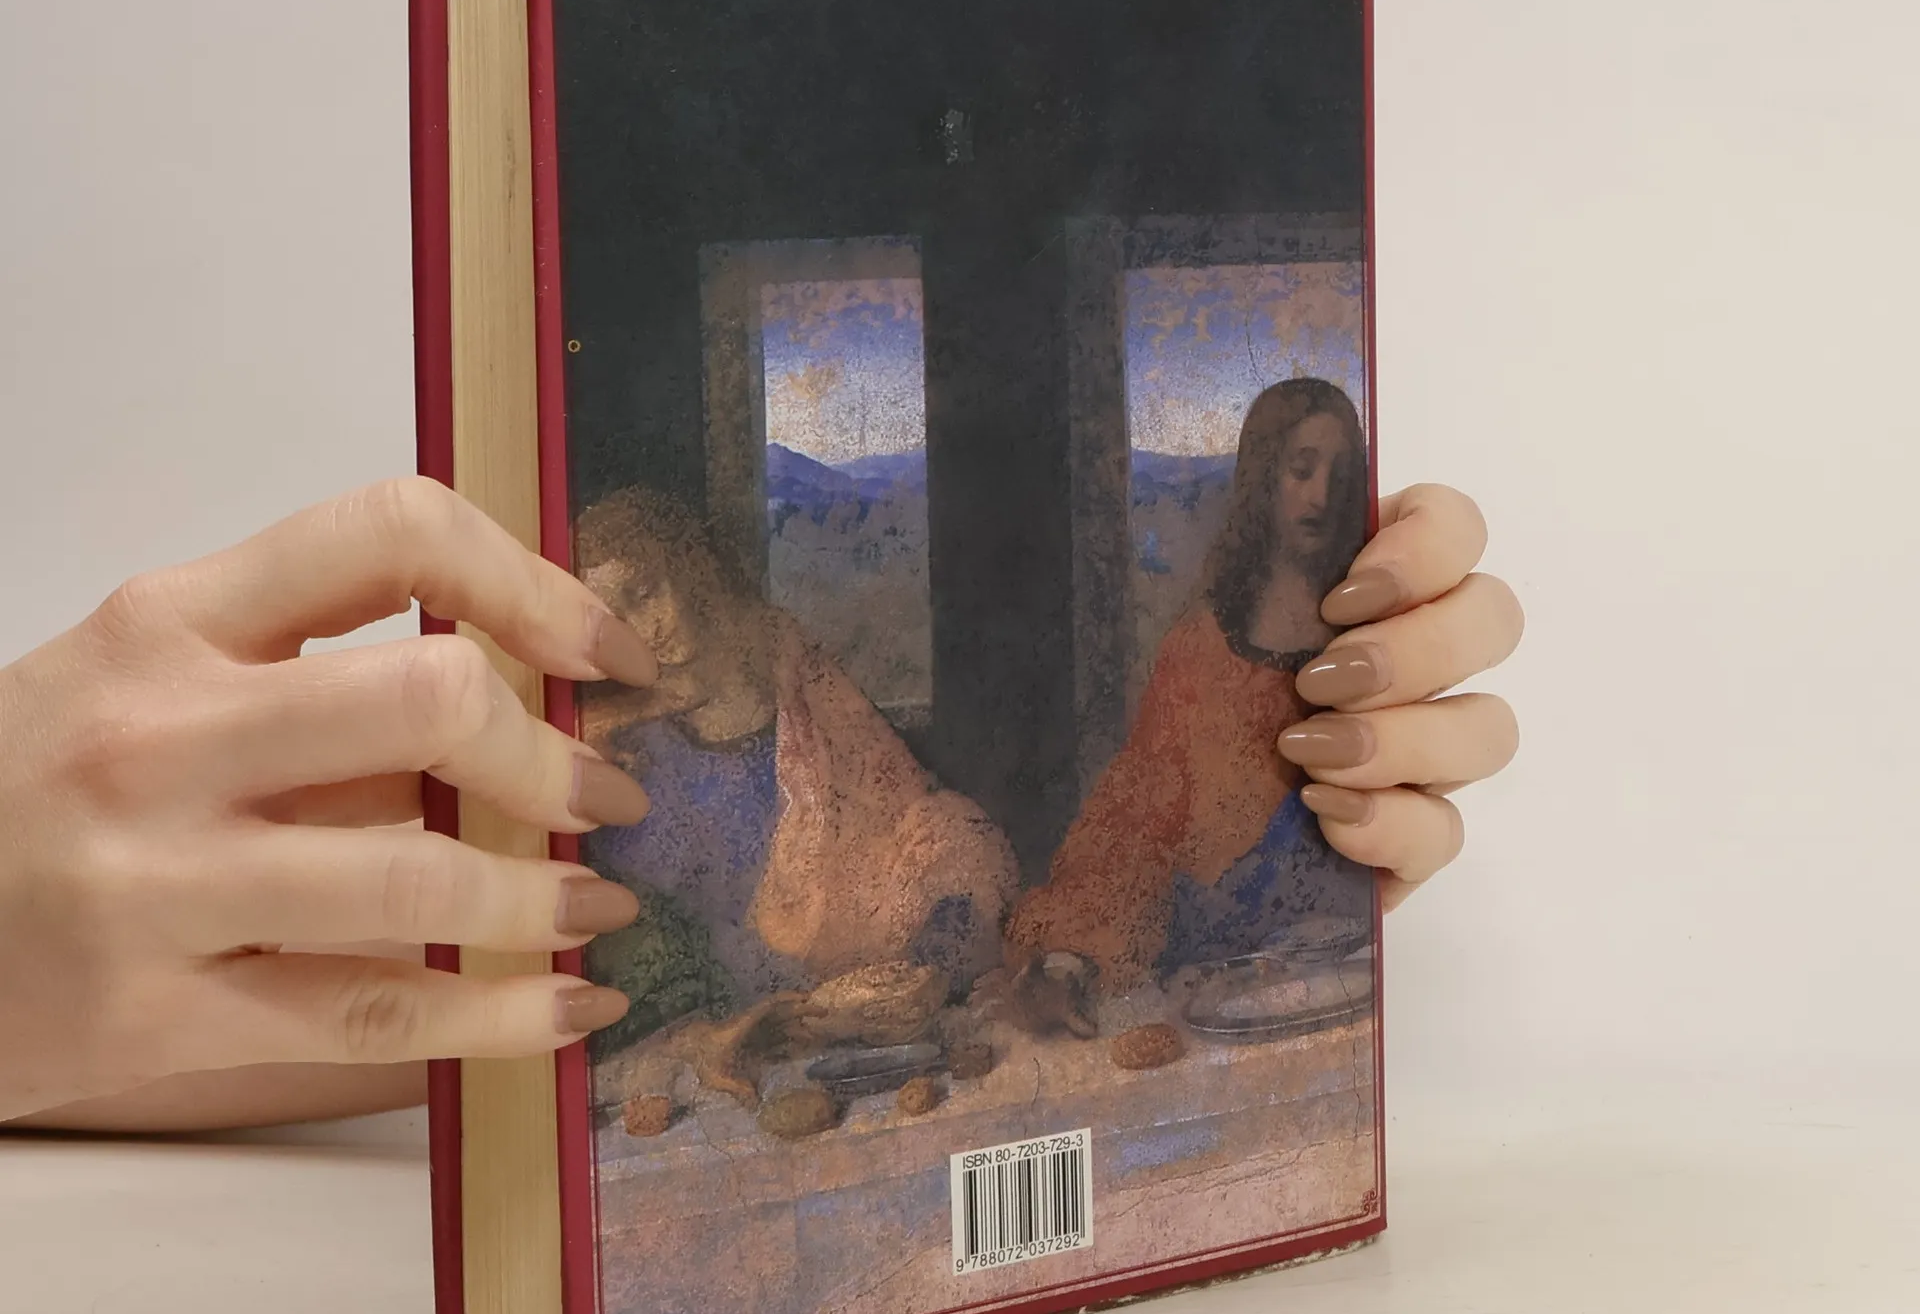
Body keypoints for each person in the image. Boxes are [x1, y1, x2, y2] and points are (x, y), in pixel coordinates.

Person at [0, 457, 1521, 1134]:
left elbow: (907, 819)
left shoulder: (784, 672)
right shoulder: (575, 736)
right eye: (606, 601)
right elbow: (627, 945)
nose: (642, 629)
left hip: (852, 1003)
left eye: (654, 588)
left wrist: (1270, 851)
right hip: (712, 1035)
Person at [1004, 379, 1522, 1009]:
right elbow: (1134, 819)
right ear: (1263, 476)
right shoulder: (1200, 650)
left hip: (1338, 980)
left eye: (1340, 475)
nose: (1321, 496)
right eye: (1301, 469)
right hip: (1210, 983)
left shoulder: (1373, 632)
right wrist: (1071, 950)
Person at [567, 485, 1016, 1098]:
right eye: (615, 619)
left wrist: (931, 960)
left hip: (860, 975)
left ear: (688, 565)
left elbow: (906, 805)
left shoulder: (781, 656)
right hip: (727, 1020)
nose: (649, 628)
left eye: (646, 592)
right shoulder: (606, 744)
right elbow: (647, 956)